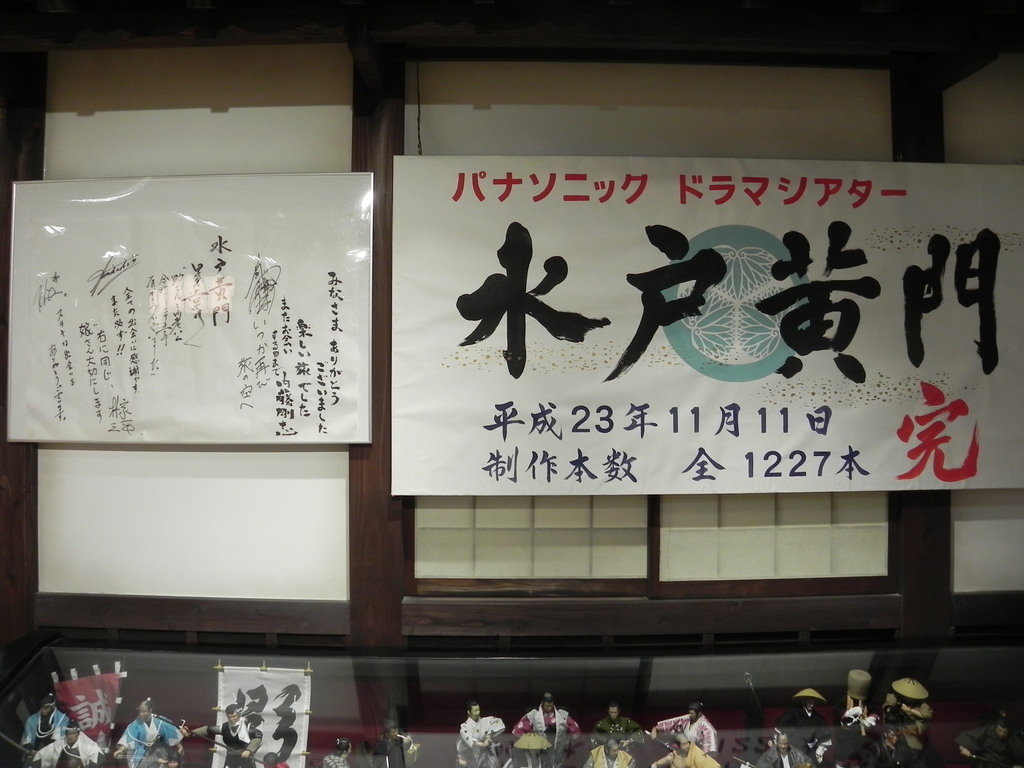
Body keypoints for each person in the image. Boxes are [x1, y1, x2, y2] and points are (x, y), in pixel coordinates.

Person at [511, 692, 582, 768]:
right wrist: (530, 740)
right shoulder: (534, 714)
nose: (549, 708)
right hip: (540, 749)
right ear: (542, 703)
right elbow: (519, 729)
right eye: (547, 706)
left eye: (551, 706)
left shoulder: (561, 714)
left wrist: (568, 740)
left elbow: (574, 729)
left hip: (557, 748)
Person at [183, 703, 263, 768]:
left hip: (245, 756)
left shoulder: (247, 726)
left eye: (234, 716)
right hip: (231, 756)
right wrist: (191, 733)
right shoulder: (224, 727)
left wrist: (249, 750)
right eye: (229, 717)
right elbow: (209, 729)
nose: (231, 719)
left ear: (239, 715)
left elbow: (258, 737)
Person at [112, 699, 185, 768]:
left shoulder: (158, 721)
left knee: (166, 762)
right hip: (142, 751)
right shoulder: (135, 725)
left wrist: (179, 745)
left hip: (159, 749)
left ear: (150, 711)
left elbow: (169, 732)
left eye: (144, 711)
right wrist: (121, 750)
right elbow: (129, 737)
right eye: (140, 711)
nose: (141, 714)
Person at [833, 670, 877, 768]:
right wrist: (849, 713)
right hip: (843, 736)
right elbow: (836, 712)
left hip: (857, 736)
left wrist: (871, 719)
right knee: (841, 756)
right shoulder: (842, 701)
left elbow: (874, 711)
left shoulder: (867, 702)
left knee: (856, 757)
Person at [776, 689, 831, 764]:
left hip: (809, 748)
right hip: (793, 745)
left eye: (813, 703)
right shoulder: (794, 712)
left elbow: (824, 732)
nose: (811, 705)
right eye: (809, 702)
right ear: (804, 701)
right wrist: (795, 735)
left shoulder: (817, 717)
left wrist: (820, 747)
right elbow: (782, 723)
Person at [883, 679, 932, 758]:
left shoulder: (922, 705)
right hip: (894, 737)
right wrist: (892, 709)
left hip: (911, 740)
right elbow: (887, 707)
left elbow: (927, 715)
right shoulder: (896, 697)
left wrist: (909, 710)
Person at [651, 703, 718, 757]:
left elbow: (709, 751)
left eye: (692, 713)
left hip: (697, 755)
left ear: (699, 713)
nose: (690, 715)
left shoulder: (707, 728)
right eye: (689, 713)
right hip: (682, 752)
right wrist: (656, 728)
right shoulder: (686, 719)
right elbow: (671, 723)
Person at [955, 716, 1024, 768]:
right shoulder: (988, 730)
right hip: (985, 764)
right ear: (995, 727)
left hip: (1003, 764)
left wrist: (1020, 766)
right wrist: (963, 748)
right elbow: (967, 736)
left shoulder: (1012, 737)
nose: (1001, 734)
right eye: (999, 730)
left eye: (1004, 732)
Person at [30, 720, 102, 768]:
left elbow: (97, 755)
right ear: (66, 734)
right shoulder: (58, 745)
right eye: (69, 734)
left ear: (78, 734)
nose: (71, 736)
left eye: (74, 733)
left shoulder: (87, 744)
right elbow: (42, 754)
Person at [21, 694, 70, 758]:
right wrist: (30, 750)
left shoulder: (62, 719)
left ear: (52, 706)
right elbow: (26, 740)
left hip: (55, 753)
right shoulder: (31, 720)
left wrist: (45, 753)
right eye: (42, 707)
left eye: (46, 708)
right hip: (35, 752)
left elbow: (59, 740)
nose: (43, 710)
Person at [460, 700, 505, 768]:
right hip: (473, 757)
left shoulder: (485, 721)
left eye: (478, 709)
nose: (478, 712)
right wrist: (483, 744)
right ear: (468, 712)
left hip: (489, 756)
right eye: (475, 710)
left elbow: (498, 722)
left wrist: (489, 736)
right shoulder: (464, 727)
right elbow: (470, 739)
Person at [650, 734, 720, 768]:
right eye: (684, 744)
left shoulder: (697, 755)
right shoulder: (672, 756)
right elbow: (654, 764)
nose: (687, 746)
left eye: (687, 743)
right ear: (677, 746)